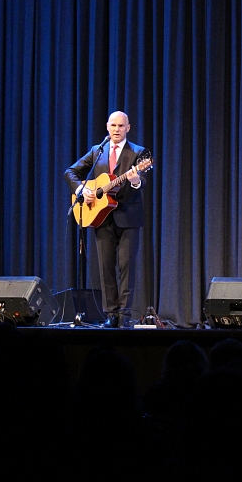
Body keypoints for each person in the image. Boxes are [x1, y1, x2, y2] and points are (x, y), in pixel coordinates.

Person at [64, 111, 149, 328]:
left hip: (128, 218)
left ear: (128, 127)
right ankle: (111, 314)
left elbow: (143, 182)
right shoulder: (97, 151)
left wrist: (136, 179)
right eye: (113, 125)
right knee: (105, 267)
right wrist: (82, 188)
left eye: (121, 126)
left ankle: (124, 316)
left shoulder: (138, 153)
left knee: (126, 267)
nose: (117, 130)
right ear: (107, 126)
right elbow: (70, 172)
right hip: (101, 217)